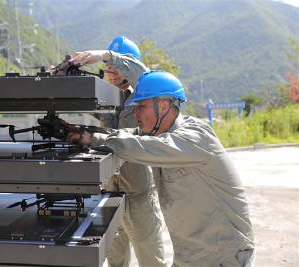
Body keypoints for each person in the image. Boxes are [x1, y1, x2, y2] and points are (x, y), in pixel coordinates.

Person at [68, 70, 255, 266]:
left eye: (142, 106)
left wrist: (90, 139)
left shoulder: (194, 137)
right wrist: (83, 132)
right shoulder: (158, 135)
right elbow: (126, 135)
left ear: (164, 106)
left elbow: (139, 146)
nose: (136, 113)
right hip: (191, 255)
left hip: (222, 255)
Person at [70, 36, 167, 267]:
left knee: (151, 259)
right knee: (115, 259)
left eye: (116, 68)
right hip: (110, 192)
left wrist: (105, 55)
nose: (111, 73)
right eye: (108, 69)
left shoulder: (144, 95)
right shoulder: (108, 98)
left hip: (139, 194)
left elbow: (141, 72)